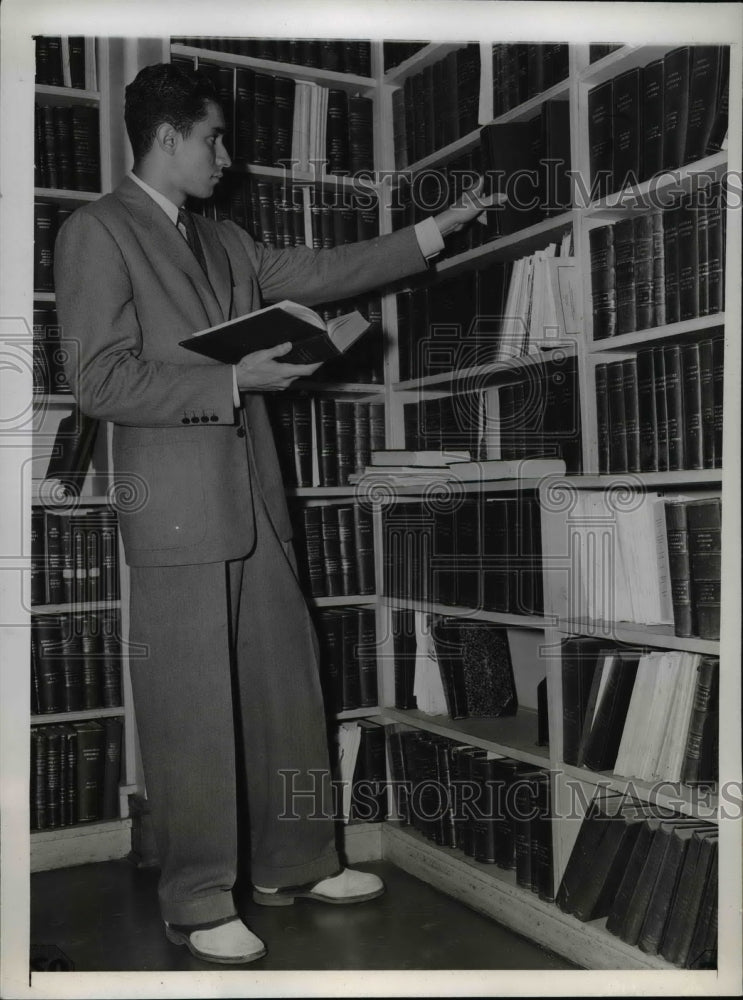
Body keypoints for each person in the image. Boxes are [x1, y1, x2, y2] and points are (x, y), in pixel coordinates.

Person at [54, 61, 494, 965]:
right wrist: (228, 379)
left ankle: (295, 862)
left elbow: (324, 271)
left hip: (255, 493)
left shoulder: (226, 240)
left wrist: (428, 233)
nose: (227, 155)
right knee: (191, 714)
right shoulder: (97, 231)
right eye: (214, 138)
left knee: (287, 686)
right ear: (168, 138)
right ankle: (198, 895)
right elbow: (98, 381)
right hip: (176, 510)